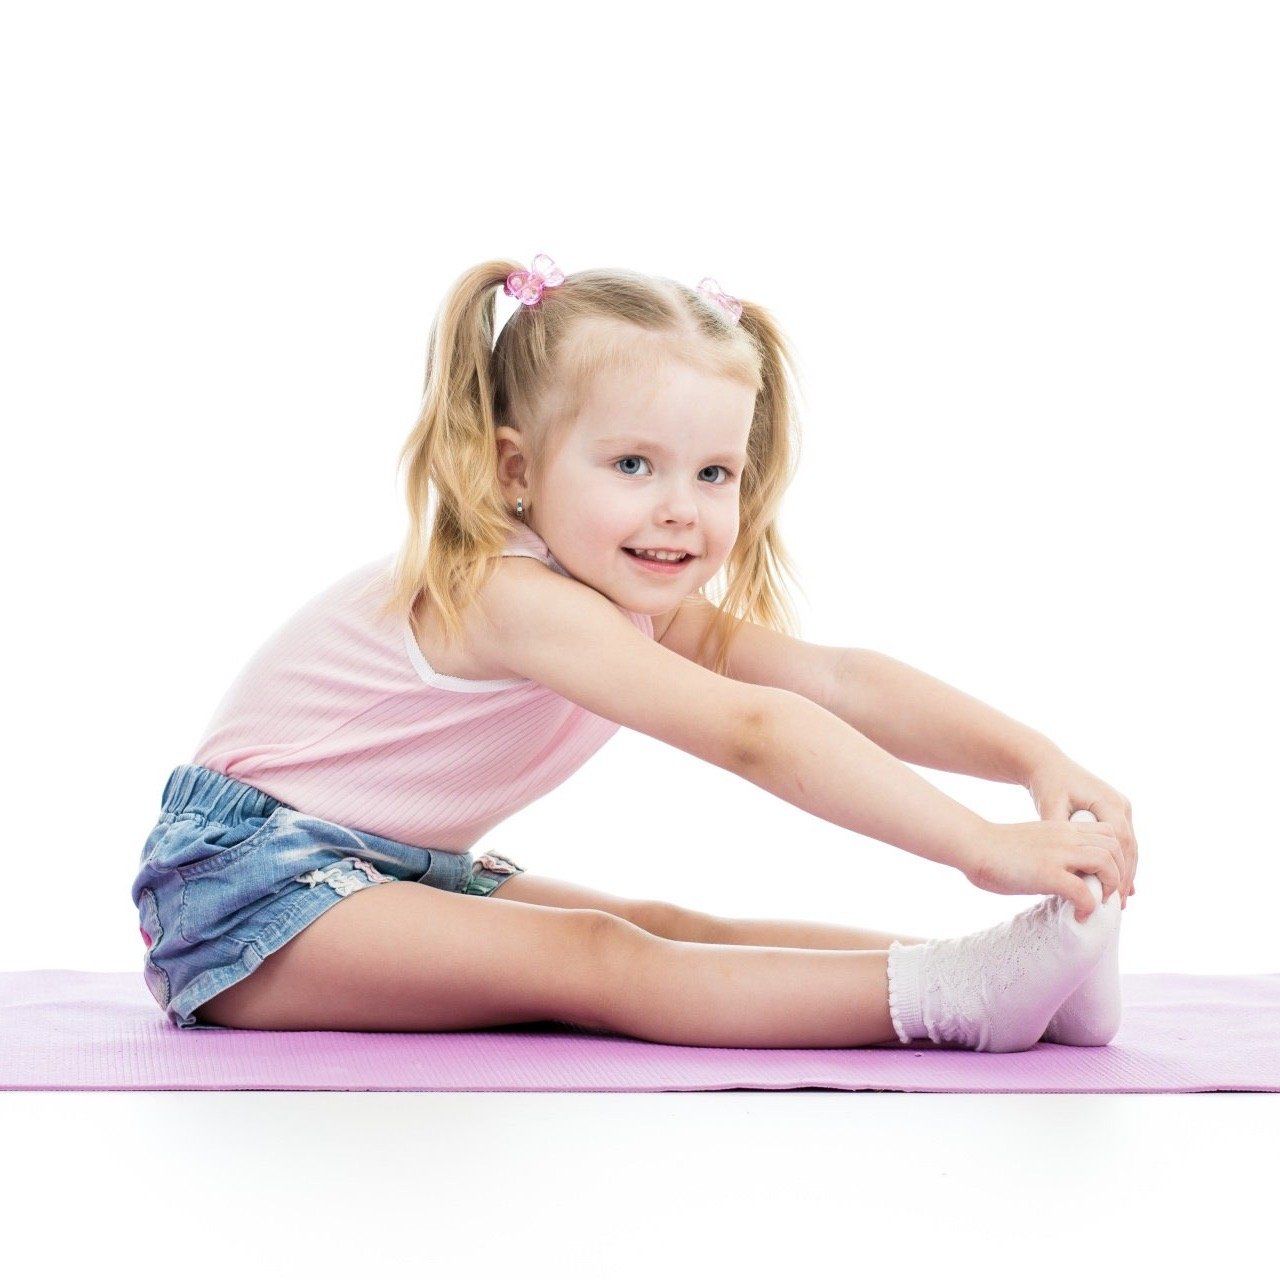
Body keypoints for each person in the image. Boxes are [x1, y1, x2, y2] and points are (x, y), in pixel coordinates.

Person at [131, 254, 1136, 1050]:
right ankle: (954, 998)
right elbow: (752, 730)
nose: (679, 509)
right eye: (631, 464)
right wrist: (980, 845)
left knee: (665, 922)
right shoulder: (510, 594)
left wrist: (1033, 759)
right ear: (516, 469)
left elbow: (834, 678)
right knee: (597, 954)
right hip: (243, 887)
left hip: (393, 869)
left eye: (713, 473)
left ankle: (1018, 975)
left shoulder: (625, 598)